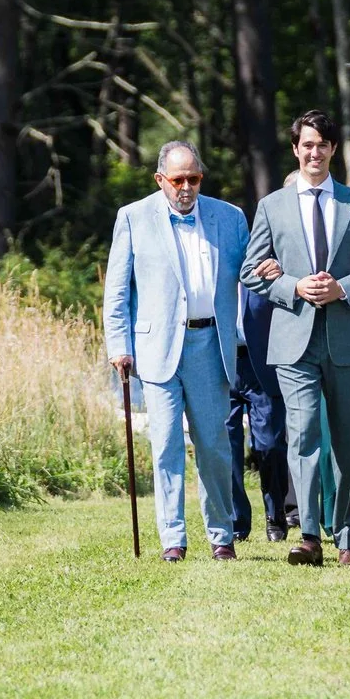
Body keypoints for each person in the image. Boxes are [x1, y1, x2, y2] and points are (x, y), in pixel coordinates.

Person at [243, 110, 350, 566]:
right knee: (304, 433)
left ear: (333, 150)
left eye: (323, 145)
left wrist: (347, 287)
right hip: (294, 340)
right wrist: (292, 285)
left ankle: (349, 539)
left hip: (348, 340)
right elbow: (250, 271)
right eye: (307, 145)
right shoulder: (272, 206)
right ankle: (308, 534)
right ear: (296, 149)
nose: (314, 153)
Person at [102, 140, 248, 562]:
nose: (186, 187)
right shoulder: (132, 218)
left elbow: (254, 270)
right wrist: (119, 346)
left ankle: (222, 536)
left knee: (215, 446)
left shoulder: (230, 217)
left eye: (194, 179)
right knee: (165, 444)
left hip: (210, 344)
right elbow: (117, 292)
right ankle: (173, 538)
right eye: (178, 179)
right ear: (160, 179)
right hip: (157, 346)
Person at [228, 285, 296, 542]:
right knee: (227, 446)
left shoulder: (263, 262)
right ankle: (236, 521)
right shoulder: (214, 266)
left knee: (270, 445)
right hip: (224, 364)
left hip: (263, 366)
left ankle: (276, 514)